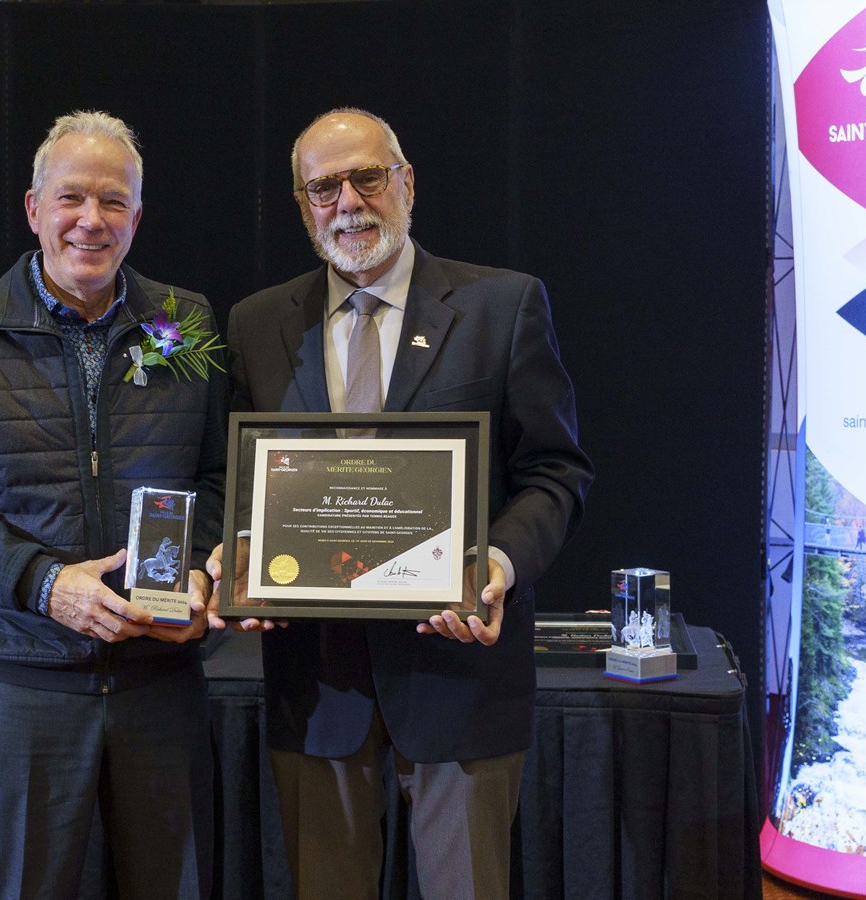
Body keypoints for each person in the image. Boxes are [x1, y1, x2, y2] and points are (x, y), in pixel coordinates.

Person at [208, 108, 593, 899]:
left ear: (405, 183)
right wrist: (235, 555)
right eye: (323, 187)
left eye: (366, 177)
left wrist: (495, 562)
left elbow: (555, 471)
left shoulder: (502, 305)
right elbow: (240, 483)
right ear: (302, 204)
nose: (347, 201)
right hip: (314, 683)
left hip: (459, 673)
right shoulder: (254, 323)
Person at [0, 110, 226, 899]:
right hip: (22, 692)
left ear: (137, 218)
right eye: (71, 198)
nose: (91, 220)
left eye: (113, 202)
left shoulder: (182, 324)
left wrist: (201, 579)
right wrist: (46, 585)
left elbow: (217, 478)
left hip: (162, 689)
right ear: (33, 208)